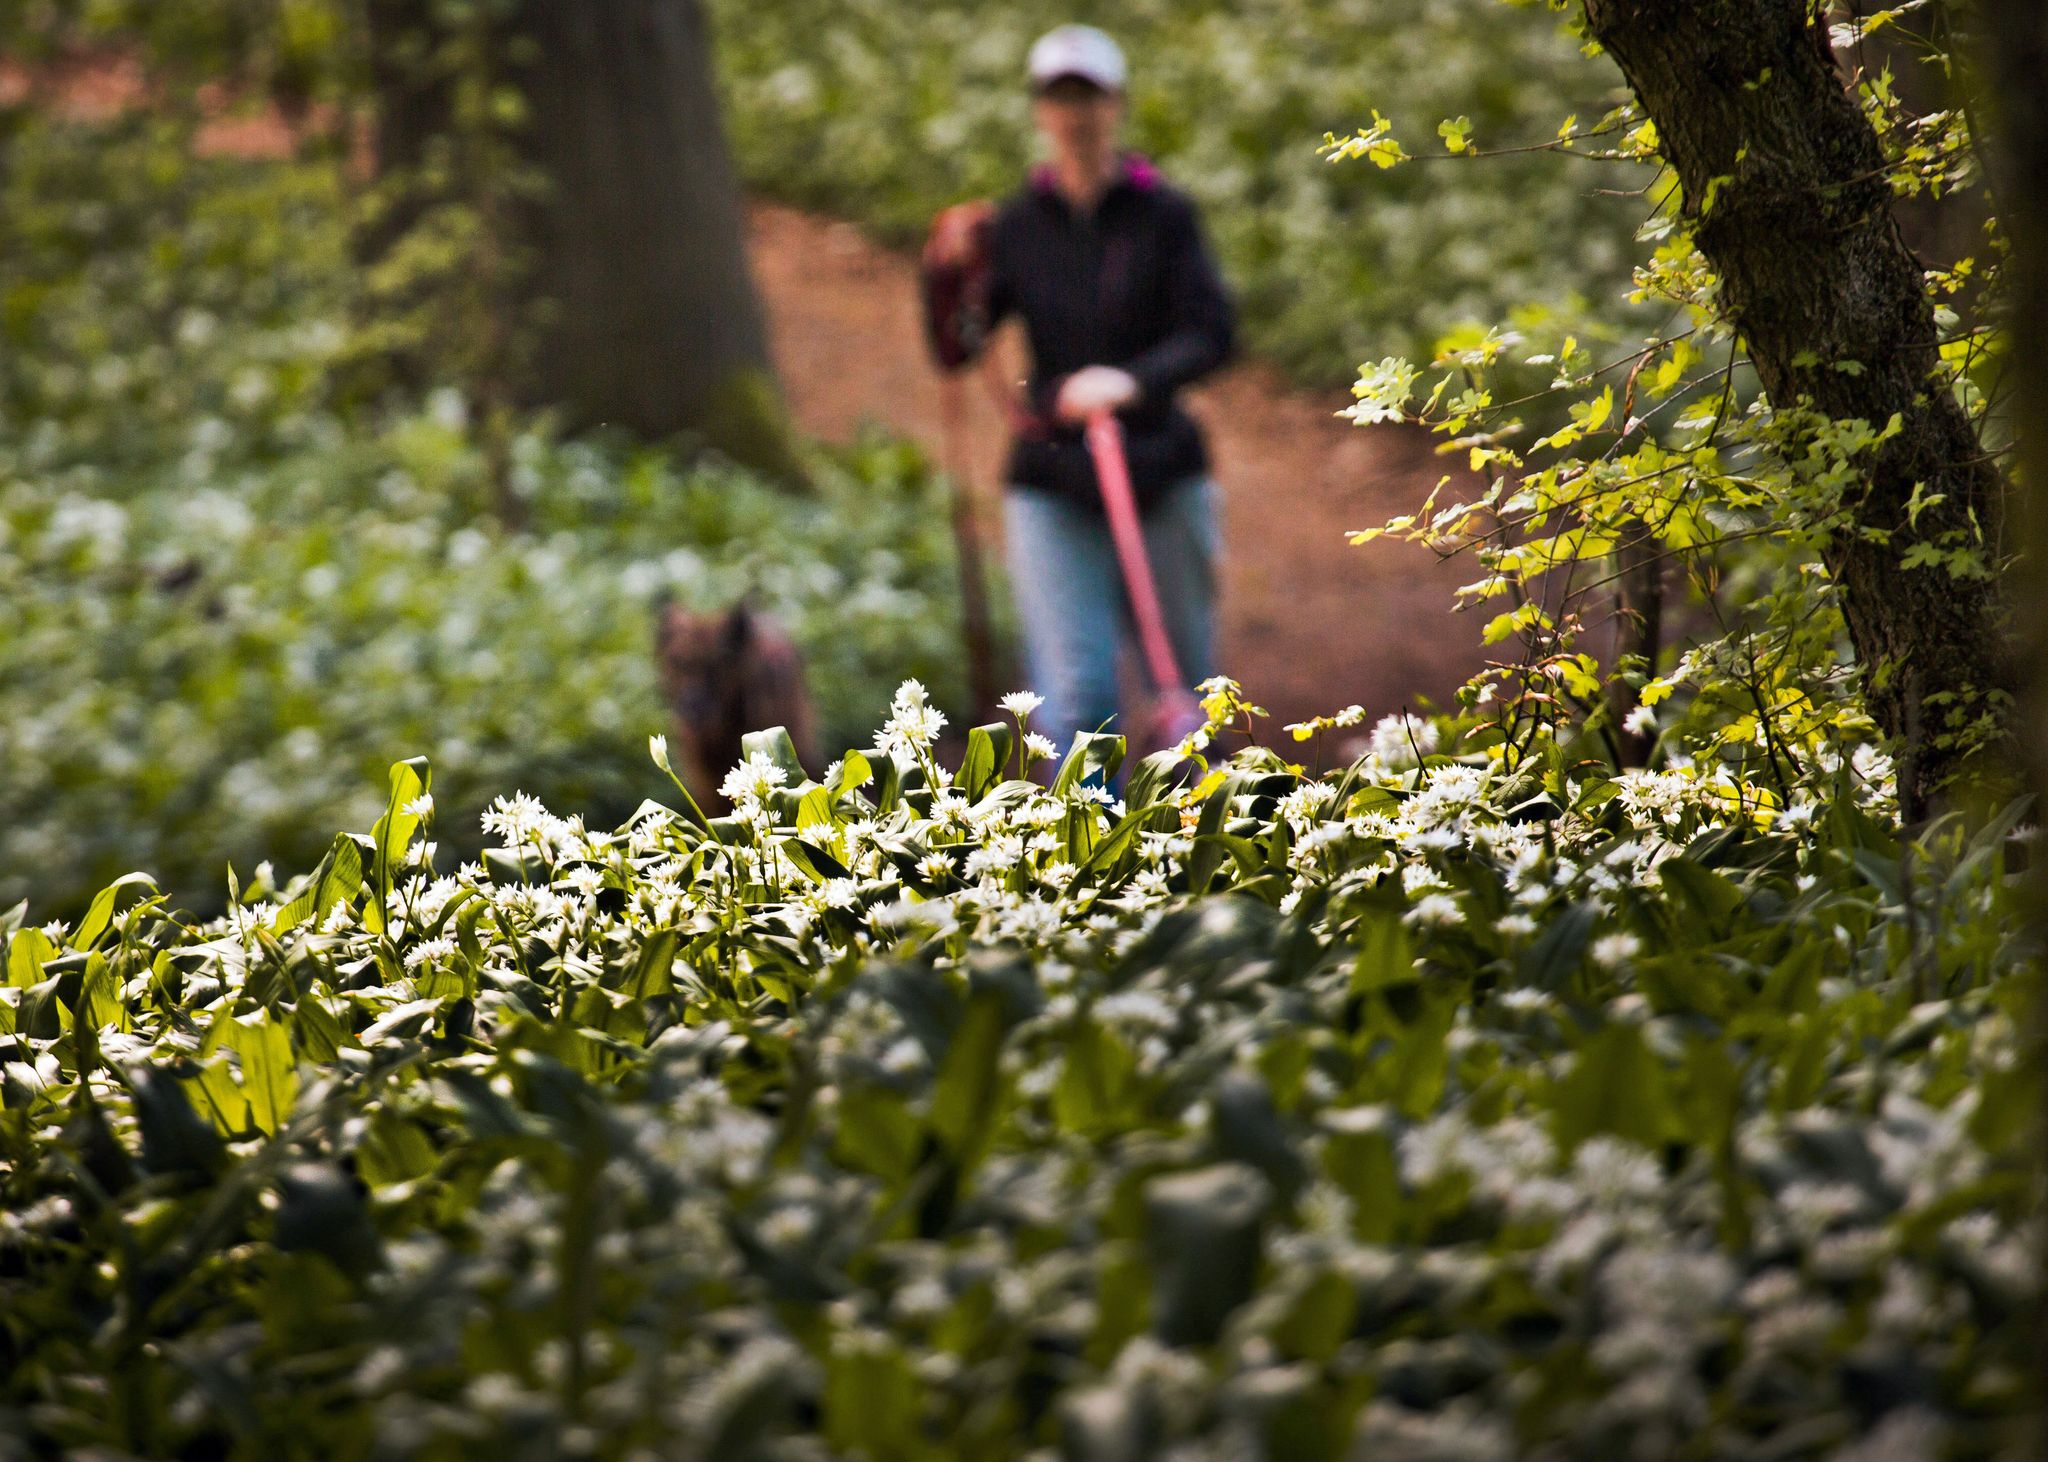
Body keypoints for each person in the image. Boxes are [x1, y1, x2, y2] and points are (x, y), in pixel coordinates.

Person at [921, 23, 1237, 758]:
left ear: (1116, 104)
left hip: (1159, 466)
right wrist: (945, 271)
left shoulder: (1165, 215)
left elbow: (1213, 332)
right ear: (1039, 111)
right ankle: (1088, 861)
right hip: (1053, 478)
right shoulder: (1017, 226)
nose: (1076, 114)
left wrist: (1128, 383)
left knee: (1192, 689)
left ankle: (1210, 850)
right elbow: (955, 348)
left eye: (1089, 96)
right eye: (1060, 97)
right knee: (1076, 699)